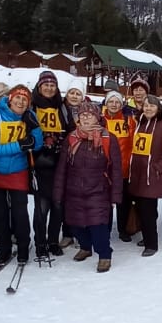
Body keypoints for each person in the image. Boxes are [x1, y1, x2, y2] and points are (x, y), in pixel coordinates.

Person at [55, 103, 123, 272]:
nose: (85, 118)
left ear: (97, 118)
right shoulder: (71, 138)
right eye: (82, 115)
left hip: (98, 190)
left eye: (89, 115)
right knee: (76, 224)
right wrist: (58, 192)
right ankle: (85, 247)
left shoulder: (108, 138)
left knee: (98, 225)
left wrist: (115, 195)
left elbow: (116, 169)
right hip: (73, 190)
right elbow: (62, 167)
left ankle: (104, 255)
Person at [0, 84, 42, 269]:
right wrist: (20, 145)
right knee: (0, 213)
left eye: (25, 99)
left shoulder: (29, 115)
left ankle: (23, 247)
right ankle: (4, 249)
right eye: (18, 97)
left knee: (20, 213)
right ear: (10, 99)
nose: (21, 102)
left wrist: (35, 128)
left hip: (19, 170)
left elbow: (37, 144)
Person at [127, 95, 162, 256]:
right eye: (146, 105)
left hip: (152, 174)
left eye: (152, 106)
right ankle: (147, 235)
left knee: (148, 209)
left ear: (158, 108)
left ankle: (151, 244)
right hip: (137, 173)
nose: (148, 108)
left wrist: (158, 167)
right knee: (141, 207)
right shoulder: (140, 122)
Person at [30, 71, 72, 260]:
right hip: (39, 164)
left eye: (52, 85)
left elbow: (71, 129)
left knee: (58, 205)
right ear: (39, 87)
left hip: (59, 162)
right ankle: (40, 243)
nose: (49, 88)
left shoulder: (61, 107)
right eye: (45, 85)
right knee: (42, 206)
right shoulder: (32, 106)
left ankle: (53, 241)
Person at [100, 91, 136, 240]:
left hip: (124, 167)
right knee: (105, 200)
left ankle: (123, 229)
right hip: (105, 168)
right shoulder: (100, 120)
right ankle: (105, 228)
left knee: (124, 200)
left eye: (117, 102)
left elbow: (133, 142)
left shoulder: (128, 120)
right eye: (111, 101)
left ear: (121, 105)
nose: (114, 105)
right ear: (106, 103)